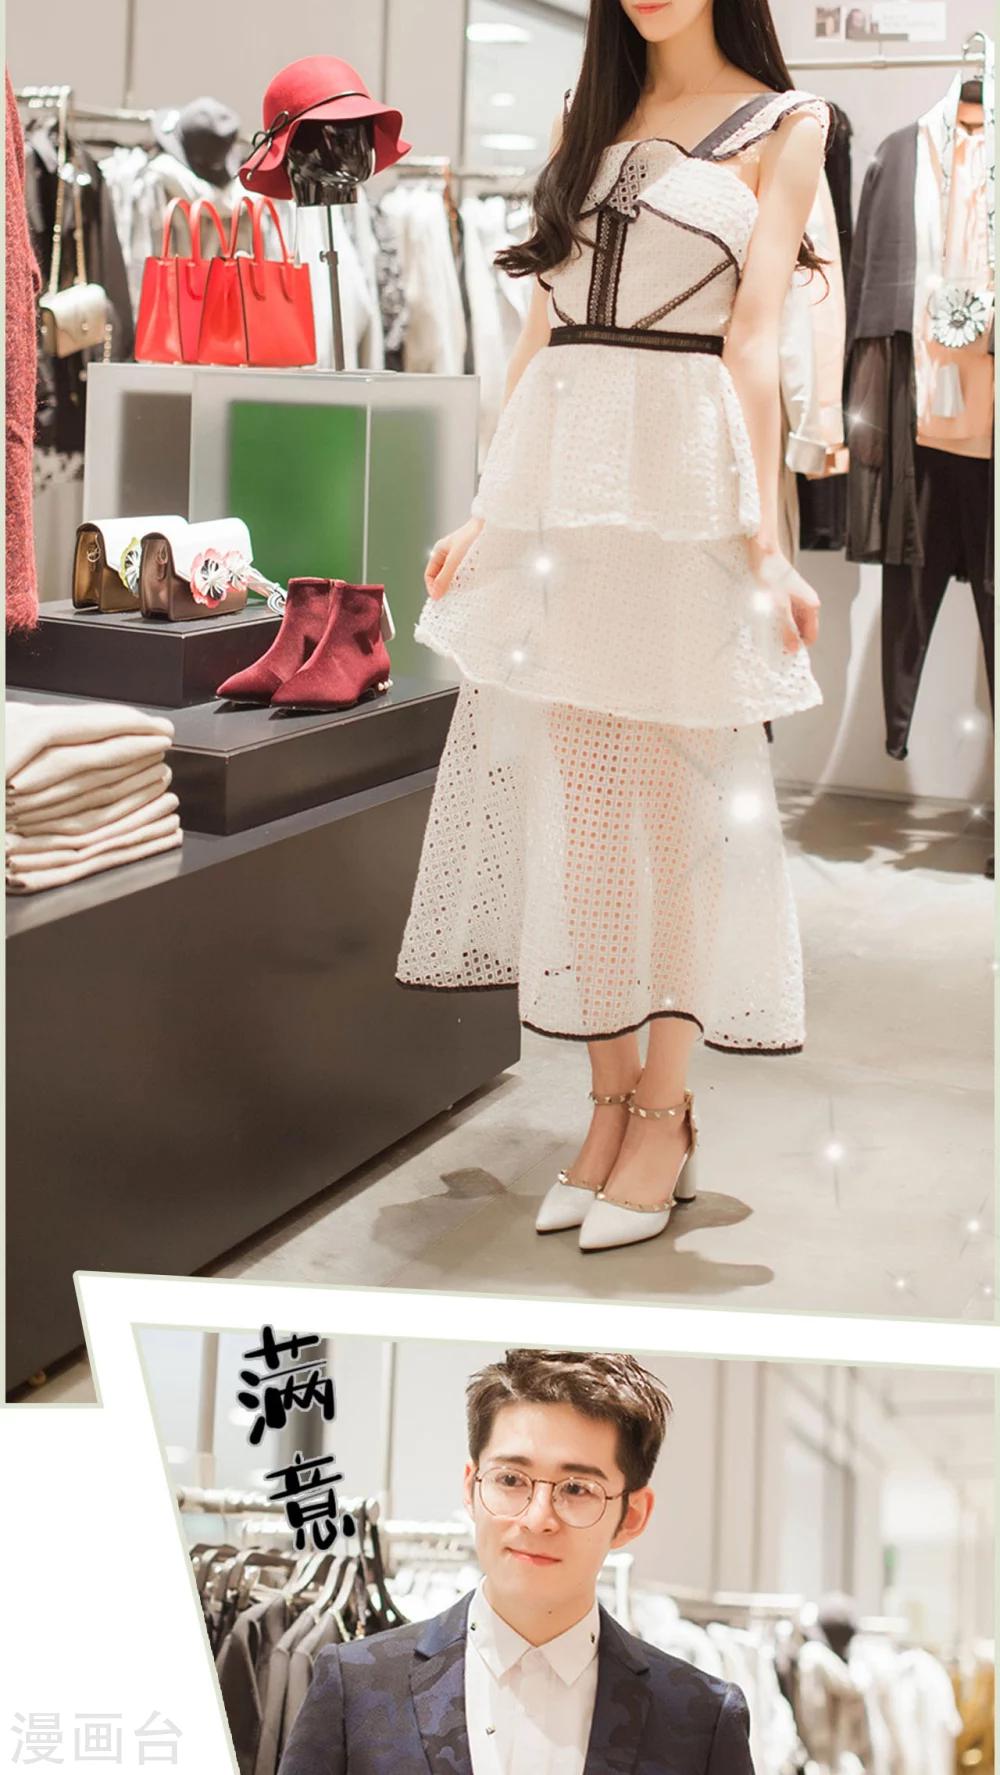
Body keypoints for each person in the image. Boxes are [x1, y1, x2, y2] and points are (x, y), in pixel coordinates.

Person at [395, 0, 831, 1254]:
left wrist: (766, 544)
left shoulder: (787, 123)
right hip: (564, 484)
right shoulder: (584, 117)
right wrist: (488, 509)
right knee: (584, 807)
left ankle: (665, 1110)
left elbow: (755, 337)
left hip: (683, 488)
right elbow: (541, 326)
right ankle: (604, 1101)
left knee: (679, 809)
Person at [278, 1348, 754, 1773]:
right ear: (471, 1488)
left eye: (577, 1489)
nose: (537, 1518)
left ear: (632, 1515)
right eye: (510, 1480)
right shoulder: (358, 1686)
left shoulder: (698, 1718)